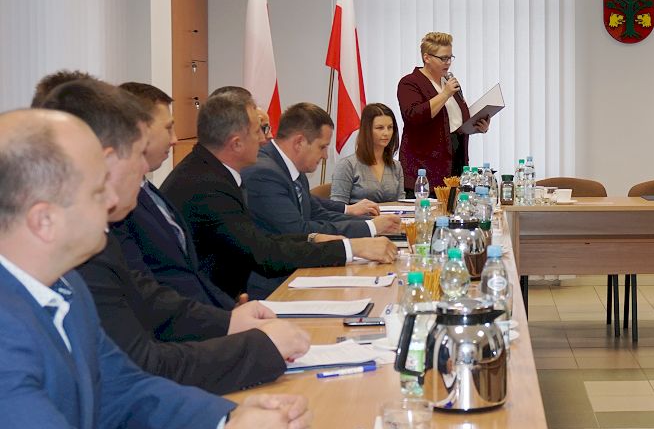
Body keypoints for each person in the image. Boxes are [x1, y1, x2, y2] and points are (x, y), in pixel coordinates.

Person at [0, 108, 311, 429]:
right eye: (96, 191)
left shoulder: (65, 284)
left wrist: (228, 418)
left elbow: (124, 391)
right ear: (44, 221)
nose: (113, 201)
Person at [41, 79, 308, 395]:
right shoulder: (85, 253)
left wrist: (228, 320)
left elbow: (148, 300)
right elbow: (141, 368)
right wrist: (257, 348)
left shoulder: (95, 241)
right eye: (138, 154)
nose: (144, 168)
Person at [161, 91, 398, 299]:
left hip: (227, 296)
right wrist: (350, 247)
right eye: (259, 130)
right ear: (236, 143)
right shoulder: (210, 185)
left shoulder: (212, 171)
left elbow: (267, 238)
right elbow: (263, 251)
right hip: (227, 299)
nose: (265, 138)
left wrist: (323, 239)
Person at [114, 82, 237, 309]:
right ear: (139, 131)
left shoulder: (148, 190)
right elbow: (146, 292)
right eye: (168, 128)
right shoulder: (119, 206)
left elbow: (192, 274)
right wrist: (226, 320)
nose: (175, 139)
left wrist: (231, 310)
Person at [243, 102, 400, 240]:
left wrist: (373, 223)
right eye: (322, 147)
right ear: (299, 142)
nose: (325, 156)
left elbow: (318, 213)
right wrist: (371, 227)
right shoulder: (264, 174)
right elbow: (298, 232)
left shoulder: (293, 168)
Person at [397, 31, 489, 193]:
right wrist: (445, 94)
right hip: (425, 169)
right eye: (443, 58)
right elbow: (414, 116)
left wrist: (476, 126)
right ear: (427, 58)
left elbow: (456, 122)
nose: (448, 63)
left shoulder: (448, 82)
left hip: (455, 164)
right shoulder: (410, 82)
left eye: (450, 57)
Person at [331, 102, 406, 203]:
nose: (386, 133)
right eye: (380, 128)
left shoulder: (396, 166)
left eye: (390, 127)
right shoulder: (347, 165)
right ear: (367, 130)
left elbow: (401, 204)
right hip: (357, 214)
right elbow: (337, 208)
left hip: (391, 214)